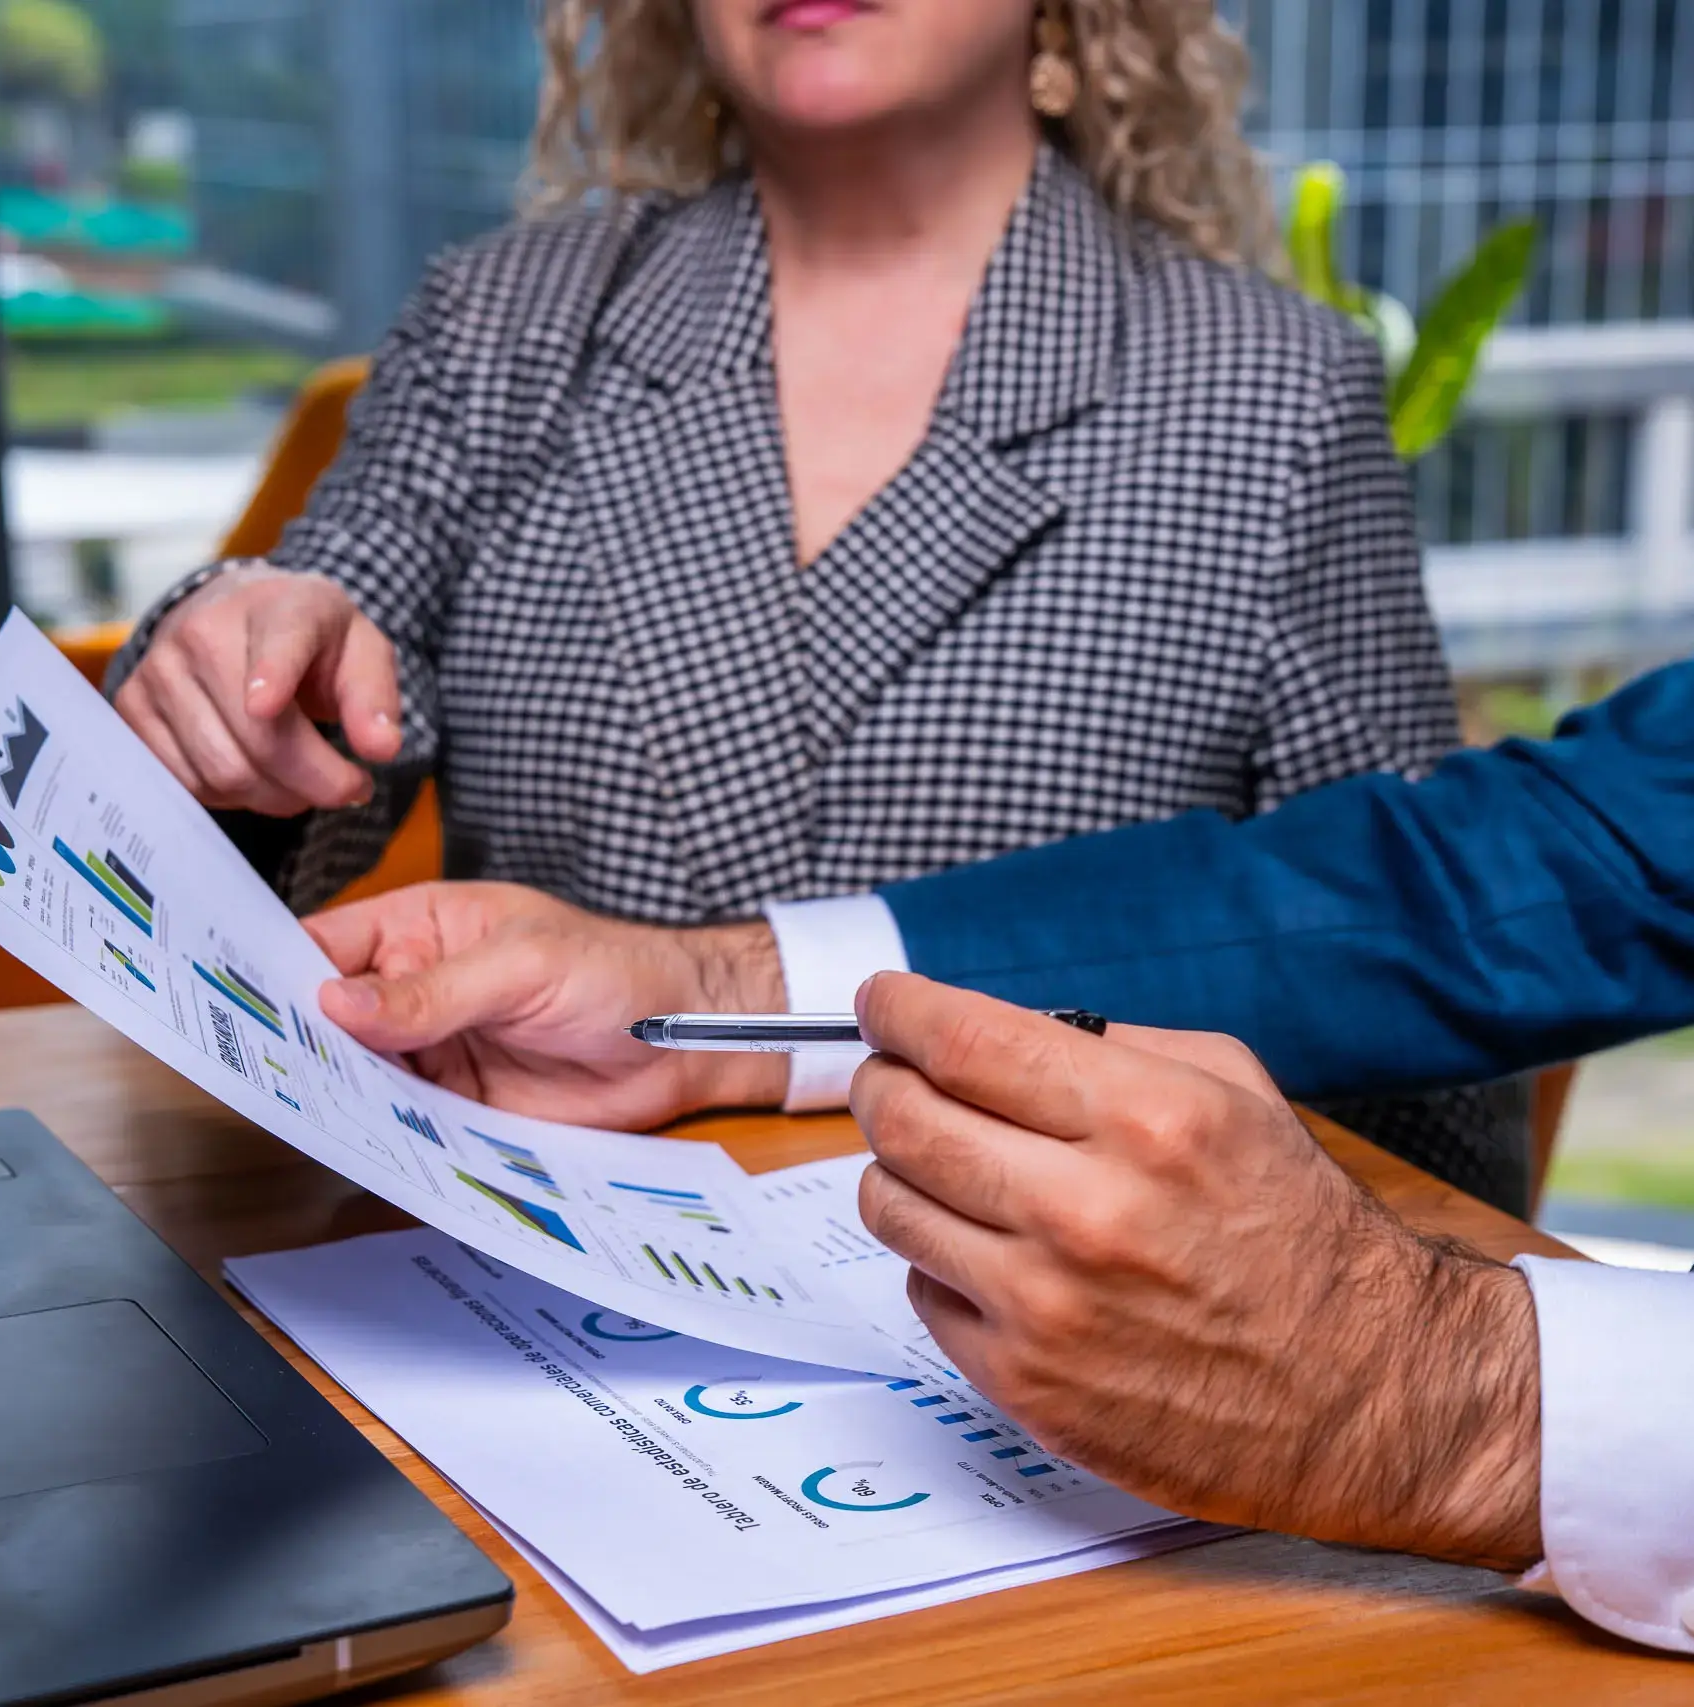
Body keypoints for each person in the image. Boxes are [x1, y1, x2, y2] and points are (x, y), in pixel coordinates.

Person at [293, 74, 1694, 1707]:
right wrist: (720, 984)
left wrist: (1465, 1393)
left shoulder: (1255, 386)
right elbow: (1546, 861)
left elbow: (1445, 1142)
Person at [104, 0, 1528, 1208]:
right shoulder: (501, 323)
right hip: (525, 1286)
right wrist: (229, 673)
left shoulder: (1270, 394)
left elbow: (1412, 1019)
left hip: (1057, 1364)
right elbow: (313, 645)